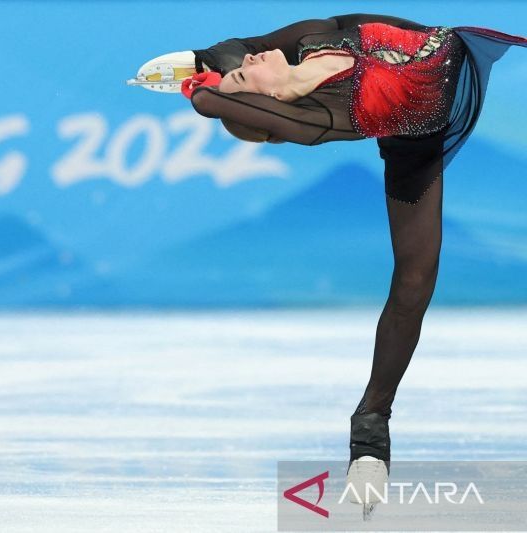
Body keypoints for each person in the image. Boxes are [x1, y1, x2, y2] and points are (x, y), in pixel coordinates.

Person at [183, 12, 527, 503]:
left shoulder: (313, 40)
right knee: (415, 282)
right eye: (243, 74)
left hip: (460, 50)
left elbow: (245, 43)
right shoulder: (321, 118)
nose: (250, 61)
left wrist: (200, 60)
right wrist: (199, 89)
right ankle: (371, 432)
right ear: (272, 100)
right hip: (419, 141)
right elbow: (210, 101)